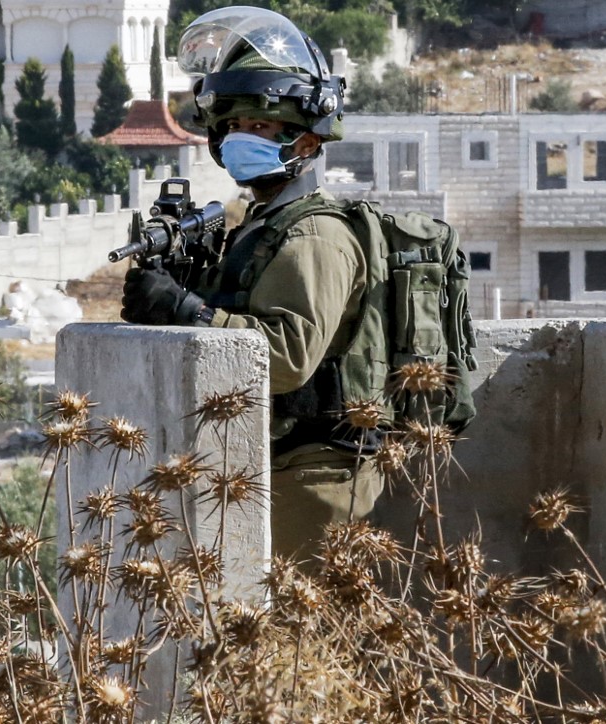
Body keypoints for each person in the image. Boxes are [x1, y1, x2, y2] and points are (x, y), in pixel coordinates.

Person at [120, 6, 384, 565]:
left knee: (303, 642)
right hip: (270, 464)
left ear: (308, 141)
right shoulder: (263, 226)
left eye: (260, 128)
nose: (242, 139)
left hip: (314, 479)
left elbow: (286, 358)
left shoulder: (315, 233)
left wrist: (186, 310)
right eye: (234, 127)